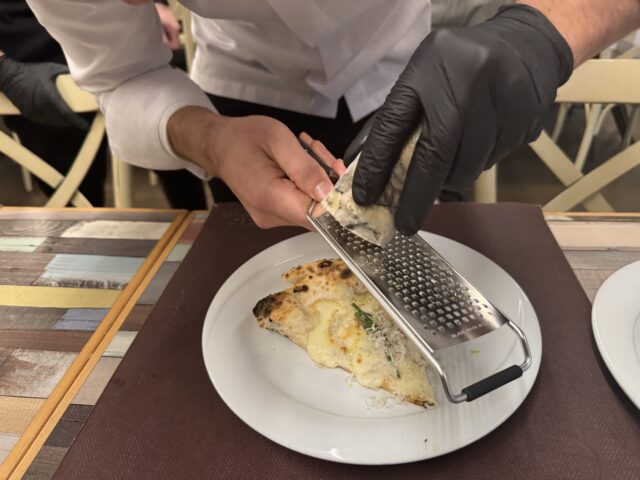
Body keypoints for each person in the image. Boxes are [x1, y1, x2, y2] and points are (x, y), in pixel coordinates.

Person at [25, 0, 640, 228]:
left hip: (421, 71)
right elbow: (122, 75)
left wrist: (542, 33)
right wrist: (210, 139)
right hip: (237, 89)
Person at [0, 0, 182, 207]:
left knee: (176, 143)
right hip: (29, 51)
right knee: (78, 194)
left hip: (119, 24)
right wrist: (4, 70)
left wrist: (155, 3)